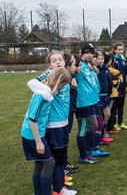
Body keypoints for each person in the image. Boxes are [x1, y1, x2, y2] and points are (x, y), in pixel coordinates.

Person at [27, 52, 77, 195]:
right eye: (54, 60)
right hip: (53, 125)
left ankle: (60, 186)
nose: (58, 62)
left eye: (60, 59)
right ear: (50, 64)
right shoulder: (49, 75)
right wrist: (46, 90)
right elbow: (31, 83)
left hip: (64, 122)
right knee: (55, 160)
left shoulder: (65, 74)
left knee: (61, 158)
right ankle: (57, 189)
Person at [75, 43, 100, 164]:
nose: (90, 54)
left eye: (91, 53)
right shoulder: (78, 65)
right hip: (83, 102)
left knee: (94, 126)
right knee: (83, 129)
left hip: (91, 100)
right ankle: (83, 155)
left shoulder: (89, 65)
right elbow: (68, 67)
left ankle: (88, 150)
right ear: (82, 53)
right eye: (87, 52)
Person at [112, 42, 127, 130]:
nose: (120, 51)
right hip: (116, 86)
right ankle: (114, 123)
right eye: (118, 50)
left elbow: (126, 74)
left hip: (123, 86)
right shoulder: (113, 60)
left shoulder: (123, 60)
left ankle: (120, 122)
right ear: (115, 50)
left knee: (121, 105)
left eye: (122, 49)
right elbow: (111, 72)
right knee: (115, 105)